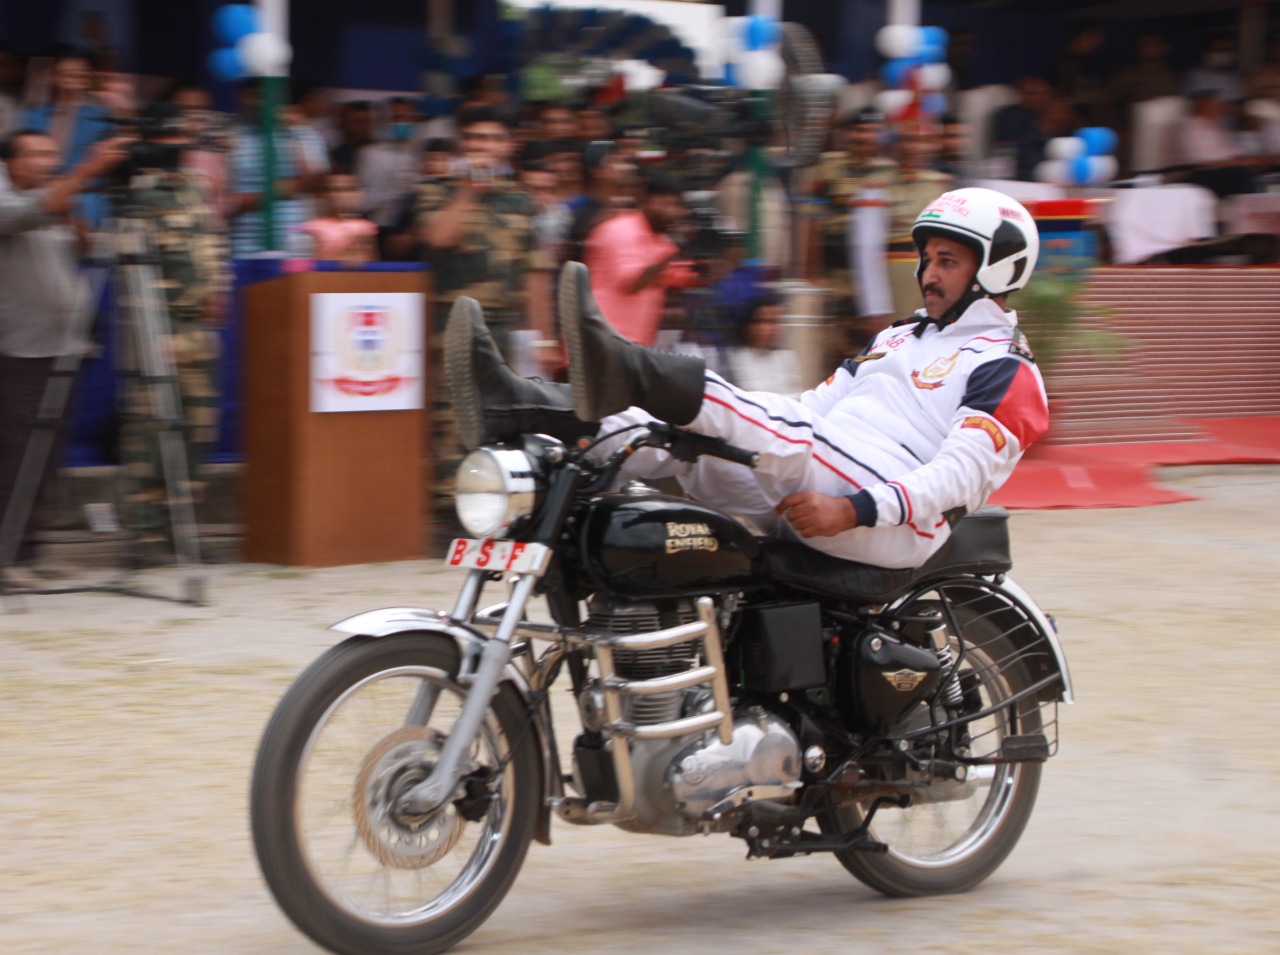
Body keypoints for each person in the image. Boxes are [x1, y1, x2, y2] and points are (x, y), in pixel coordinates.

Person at [447, 187, 1048, 570]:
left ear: (993, 272)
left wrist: (859, 510)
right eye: (927, 258)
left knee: (785, 437)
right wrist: (733, 429)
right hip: (829, 464)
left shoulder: (1005, 366)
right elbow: (815, 405)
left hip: (896, 518)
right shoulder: (899, 335)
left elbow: (957, 477)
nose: (928, 274)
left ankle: (624, 362)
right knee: (672, 446)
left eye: (948, 261)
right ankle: (522, 407)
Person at [0, 128, 131, 587]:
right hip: (19, 347)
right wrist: (87, 169)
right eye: (36, 153)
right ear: (9, 162)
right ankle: (6, 560)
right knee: (17, 456)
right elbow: (25, 215)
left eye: (53, 152)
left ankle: (34, 551)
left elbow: (89, 249)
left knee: (47, 457)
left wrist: (76, 213)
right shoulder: (7, 197)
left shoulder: (52, 196)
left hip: (64, 345)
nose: (47, 161)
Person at [118, 107, 230, 557]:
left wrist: (219, 290)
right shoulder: (139, 195)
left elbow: (213, 246)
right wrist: (152, 335)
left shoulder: (194, 189)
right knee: (151, 434)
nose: (185, 144)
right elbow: (134, 272)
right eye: (176, 136)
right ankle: (144, 536)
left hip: (197, 331)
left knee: (194, 432)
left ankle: (180, 533)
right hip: (157, 329)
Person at [582, 169, 699, 347]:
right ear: (650, 201)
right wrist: (671, 255)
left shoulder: (662, 240)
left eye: (678, 206)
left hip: (633, 346)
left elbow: (682, 278)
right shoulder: (620, 230)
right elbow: (631, 283)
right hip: (601, 342)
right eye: (670, 204)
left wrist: (710, 266)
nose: (675, 213)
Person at [726, 291, 803, 395]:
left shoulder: (786, 357)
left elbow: (794, 393)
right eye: (764, 321)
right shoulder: (735, 357)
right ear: (749, 326)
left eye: (775, 322)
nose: (770, 329)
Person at [299, 171, 377, 264]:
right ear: (325, 194)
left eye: (349, 189)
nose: (342, 195)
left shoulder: (366, 227)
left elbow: (373, 264)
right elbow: (306, 264)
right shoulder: (312, 227)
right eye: (336, 190)